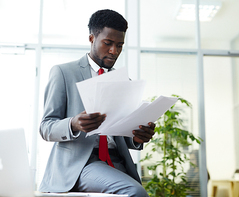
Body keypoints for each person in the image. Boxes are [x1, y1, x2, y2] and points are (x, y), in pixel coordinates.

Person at [38, 9, 155, 197]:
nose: (114, 51)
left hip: (117, 162)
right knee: (135, 192)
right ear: (92, 38)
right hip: (81, 164)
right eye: (108, 43)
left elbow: (121, 133)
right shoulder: (64, 73)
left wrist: (137, 137)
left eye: (119, 45)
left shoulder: (125, 82)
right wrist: (73, 124)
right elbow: (46, 127)